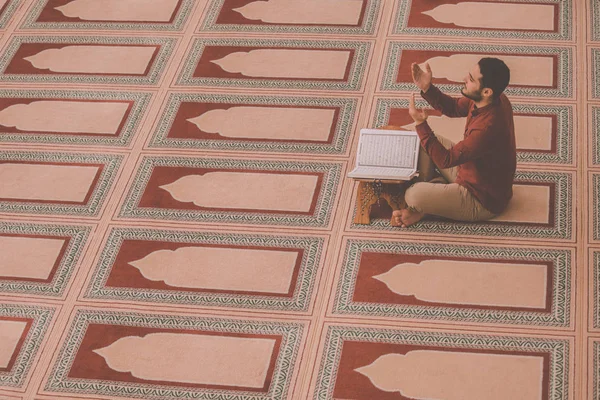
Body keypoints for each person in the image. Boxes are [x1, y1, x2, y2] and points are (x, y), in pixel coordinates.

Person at [391, 57, 516, 228]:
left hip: (480, 198)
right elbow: (455, 107)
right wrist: (427, 88)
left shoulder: (487, 129)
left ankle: (427, 202)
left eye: (471, 79)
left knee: (412, 195)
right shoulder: (492, 98)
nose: (465, 79)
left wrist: (420, 123)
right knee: (421, 141)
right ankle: (435, 195)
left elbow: (445, 160)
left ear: (487, 91)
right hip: (468, 169)